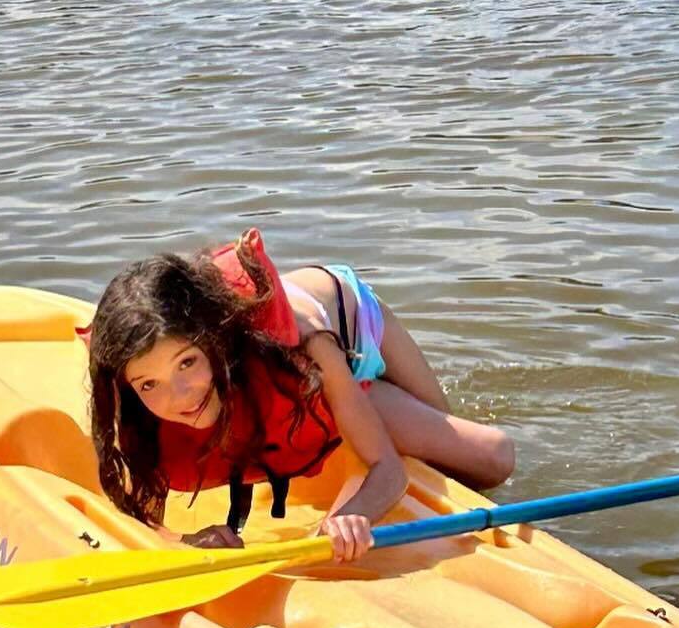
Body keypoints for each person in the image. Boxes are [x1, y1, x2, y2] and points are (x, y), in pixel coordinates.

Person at [84, 229, 515, 558]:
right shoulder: (135, 409)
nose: (179, 396)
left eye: (187, 363)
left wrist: (351, 515)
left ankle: (361, 402)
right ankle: (355, 414)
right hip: (296, 367)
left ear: (213, 341)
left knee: (487, 460)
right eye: (148, 384)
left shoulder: (301, 353)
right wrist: (185, 541)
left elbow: (390, 469)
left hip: (351, 329)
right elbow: (138, 521)